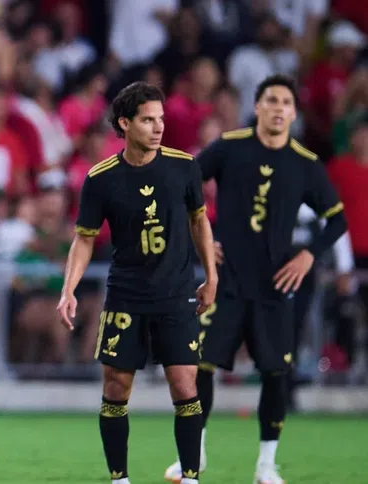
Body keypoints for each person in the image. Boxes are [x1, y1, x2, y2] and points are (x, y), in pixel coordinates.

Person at [162, 75, 347, 484]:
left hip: (274, 287)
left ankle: (266, 465)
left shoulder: (304, 163)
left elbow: (337, 219)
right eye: (271, 100)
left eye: (286, 102)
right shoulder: (230, 147)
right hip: (224, 283)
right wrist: (199, 238)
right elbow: (181, 185)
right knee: (200, 366)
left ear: (293, 113)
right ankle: (194, 454)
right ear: (258, 107)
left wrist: (308, 254)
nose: (279, 108)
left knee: (276, 374)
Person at [57, 82, 218, 484]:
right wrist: (68, 288)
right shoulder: (101, 178)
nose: (159, 127)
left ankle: (191, 478)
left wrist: (211, 276)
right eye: (148, 120)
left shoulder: (184, 166)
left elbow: (199, 221)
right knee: (115, 388)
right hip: (126, 295)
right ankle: (120, 479)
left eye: (160, 119)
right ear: (125, 124)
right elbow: (84, 238)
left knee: (185, 383)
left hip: (176, 293)